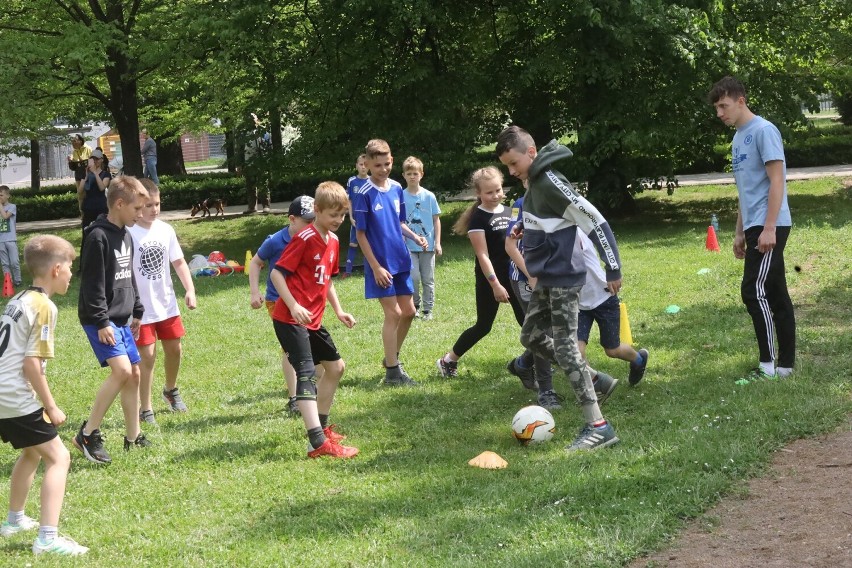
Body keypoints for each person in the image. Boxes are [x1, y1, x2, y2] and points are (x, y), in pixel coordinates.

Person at [497, 125, 622, 452]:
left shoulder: (551, 182)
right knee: (530, 337)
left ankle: (599, 427)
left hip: (564, 278)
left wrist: (613, 266)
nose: (512, 171)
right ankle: (594, 378)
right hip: (545, 280)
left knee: (566, 348)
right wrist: (526, 227)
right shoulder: (532, 187)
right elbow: (542, 220)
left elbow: (593, 220)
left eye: (514, 163)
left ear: (532, 152)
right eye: (507, 166)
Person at [0, 235, 88, 556]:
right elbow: (31, 364)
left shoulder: (19, 298)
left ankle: (13, 521)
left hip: (2, 395)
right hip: (12, 394)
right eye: (70, 268)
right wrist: (50, 405)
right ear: (56, 269)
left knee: (32, 452)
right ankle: (47, 539)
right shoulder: (45, 306)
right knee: (59, 457)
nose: (71, 275)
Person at [709, 77, 795, 383]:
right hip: (754, 224)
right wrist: (739, 231)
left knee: (753, 290)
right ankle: (785, 366)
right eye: (717, 107)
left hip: (770, 224)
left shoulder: (764, 131)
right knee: (775, 292)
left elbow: (777, 181)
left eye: (724, 105)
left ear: (741, 101)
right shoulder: (737, 138)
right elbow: (745, 190)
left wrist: (769, 227)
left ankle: (768, 366)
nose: (720, 113)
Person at [270, 182, 359, 458]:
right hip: (290, 318)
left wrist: (339, 310)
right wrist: (293, 304)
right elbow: (277, 274)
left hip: (313, 321)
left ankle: (320, 429)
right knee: (306, 373)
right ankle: (317, 442)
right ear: (317, 211)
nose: (338, 220)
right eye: (333, 215)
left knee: (336, 368)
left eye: (342, 215)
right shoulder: (305, 238)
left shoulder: (332, 241)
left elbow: (327, 281)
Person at [435, 167, 539, 396]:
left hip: (513, 277)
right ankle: (448, 360)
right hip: (490, 280)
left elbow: (516, 237)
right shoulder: (478, 218)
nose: (496, 195)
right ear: (479, 194)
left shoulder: (510, 211)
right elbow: (483, 255)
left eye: (499, 190)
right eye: (489, 192)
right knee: (484, 326)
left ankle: (536, 364)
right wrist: (495, 285)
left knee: (528, 323)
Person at [74, 176, 150, 465]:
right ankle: (87, 433)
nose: (140, 215)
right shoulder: (97, 237)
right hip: (100, 318)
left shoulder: (126, 234)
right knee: (120, 372)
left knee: (134, 374)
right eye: (137, 209)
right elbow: (92, 285)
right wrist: (103, 321)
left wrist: (138, 308)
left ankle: (133, 437)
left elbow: (127, 276)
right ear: (119, 204)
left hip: (119, 317)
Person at [352, 139, 428, 386]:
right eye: (377, 165)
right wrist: (375, 267)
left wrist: (415, 236)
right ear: (367, 164)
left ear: (392, 161)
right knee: (393, 313)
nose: (383, 169)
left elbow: (399, 222)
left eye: (386, 164)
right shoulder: (363, 194)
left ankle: (391, 358)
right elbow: (361, 234)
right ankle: (393, 374)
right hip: (380, 265)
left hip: (400, 260)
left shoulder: (396, 188)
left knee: (409, 312)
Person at [128, 179, 197, 424]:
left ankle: (170, 389)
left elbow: (178, 262)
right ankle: (145, 408)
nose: (154, 209)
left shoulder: (166, 230)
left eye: (157, 204)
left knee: (174, 350)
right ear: (137, 205)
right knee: (147, 356)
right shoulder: (128, 233)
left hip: (166, 304)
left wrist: (190, 289)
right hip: (140, 310)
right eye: (147, 205)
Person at [249, 196, 323, 416]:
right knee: (290, 349)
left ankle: (310, 388)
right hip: (278, 301)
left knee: (309, 344)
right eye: (308, 221)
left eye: (315, 220)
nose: (312, 225)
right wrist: (255, 292)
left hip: (305, 301)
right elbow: (256, 262)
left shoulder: (314, 238)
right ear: (292, 219)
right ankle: (294, 397)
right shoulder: (276, 240)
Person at [574, 231, 649, 387]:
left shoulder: (574, 234)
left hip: (604, 298)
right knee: (577, 350)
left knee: (612, 350)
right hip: (580, 305)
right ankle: (594, 387)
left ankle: (639, 360)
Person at [402, 156, 442, 320]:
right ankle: (415, 306)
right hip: (408, 246)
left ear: (421, 174)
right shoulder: (401, 196)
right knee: (414, 277)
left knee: (427, 278)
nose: (412, 176)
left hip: (428, 245)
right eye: (409, 173)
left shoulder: (429, 196)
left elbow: (436, 219)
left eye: (415, 173)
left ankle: (428, 309)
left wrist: (437, 242)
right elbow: (400, 221)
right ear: (404, 175)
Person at [79, 148, 112, 261]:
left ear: (101, 160)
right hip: (88, 208)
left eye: (97, 159)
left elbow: (102, 187)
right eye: (93, 159)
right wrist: (86, 176)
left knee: (102, 233)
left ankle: (103, 258)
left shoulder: (105, 174)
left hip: (101, 208)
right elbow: (80, 191)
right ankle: (83, 263)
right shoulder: (87, 173)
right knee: (86, 234)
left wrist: (95, 174)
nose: (95, 161)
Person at [342, 154, 370, 278]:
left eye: (366, 164)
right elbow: (350, 201)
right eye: (361, 164)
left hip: (368, 218)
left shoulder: (372, 181)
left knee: (368, 244)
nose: (363, 167)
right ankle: (348, 270)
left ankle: (368, 269)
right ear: (356, 166)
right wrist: (351, 217)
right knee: (353, 244)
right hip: (356, 218)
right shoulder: (352, 181)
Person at [241, 113, 272, 213]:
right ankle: (252, 207)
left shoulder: (264, 131)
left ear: (257, 119)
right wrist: (239, 164)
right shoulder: (243, 133)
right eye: (249, 119)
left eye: (253, 118)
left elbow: (269, 146)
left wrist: (268, 160)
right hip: (248, 163)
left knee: (263, 184)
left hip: (261, 162)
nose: (251, 121)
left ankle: (266, 206)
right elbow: (240, 149)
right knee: (250, 186)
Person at [0, 186, 22, 287]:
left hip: (11, 239)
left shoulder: (12, 207)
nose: (0, 197)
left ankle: (18, 281)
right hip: (1, 240)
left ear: (8, 196)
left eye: (1, 195)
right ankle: (8, 282)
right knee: (5, 264)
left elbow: (5, 216)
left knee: (14, 262)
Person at [68, 134, 92, 207]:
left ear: (80, 141)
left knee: (89, 195)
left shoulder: (88, 149)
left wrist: (84, 162)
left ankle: (91, 214)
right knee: (80, 196)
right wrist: (70, 161)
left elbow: (93, 163)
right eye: (72, 142)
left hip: (87, 176)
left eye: (74, 141)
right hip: (78, 176)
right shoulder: (74, 152)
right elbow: (73, 168)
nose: (73, 143)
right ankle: (83, 215)